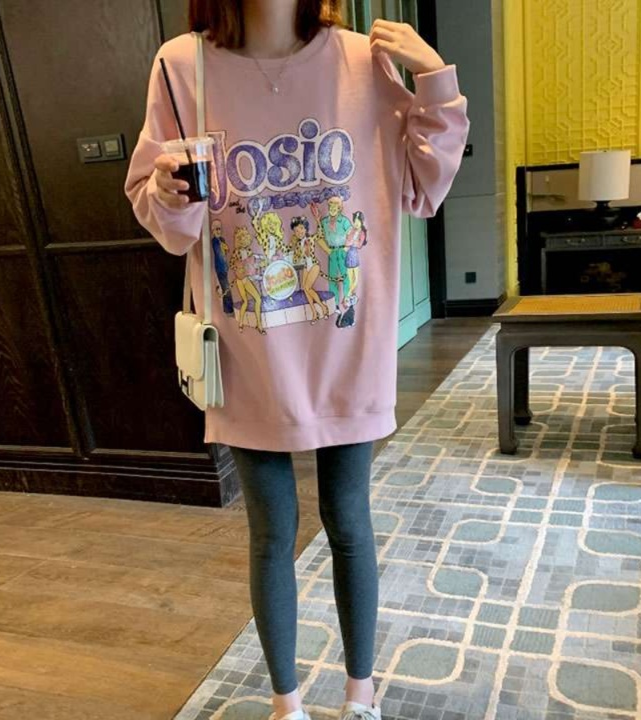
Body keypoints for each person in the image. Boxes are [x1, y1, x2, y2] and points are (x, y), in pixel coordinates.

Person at [123, 2, 469, 719]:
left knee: (350, 521)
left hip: (348, 343)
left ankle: (360, 697)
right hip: (248, 352)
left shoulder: (362, 60)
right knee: (272, 532)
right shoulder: (181, 66)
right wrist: (164, 191)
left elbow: (421, 188)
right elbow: (171, 225)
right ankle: (288, 705)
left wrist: (436, 80)